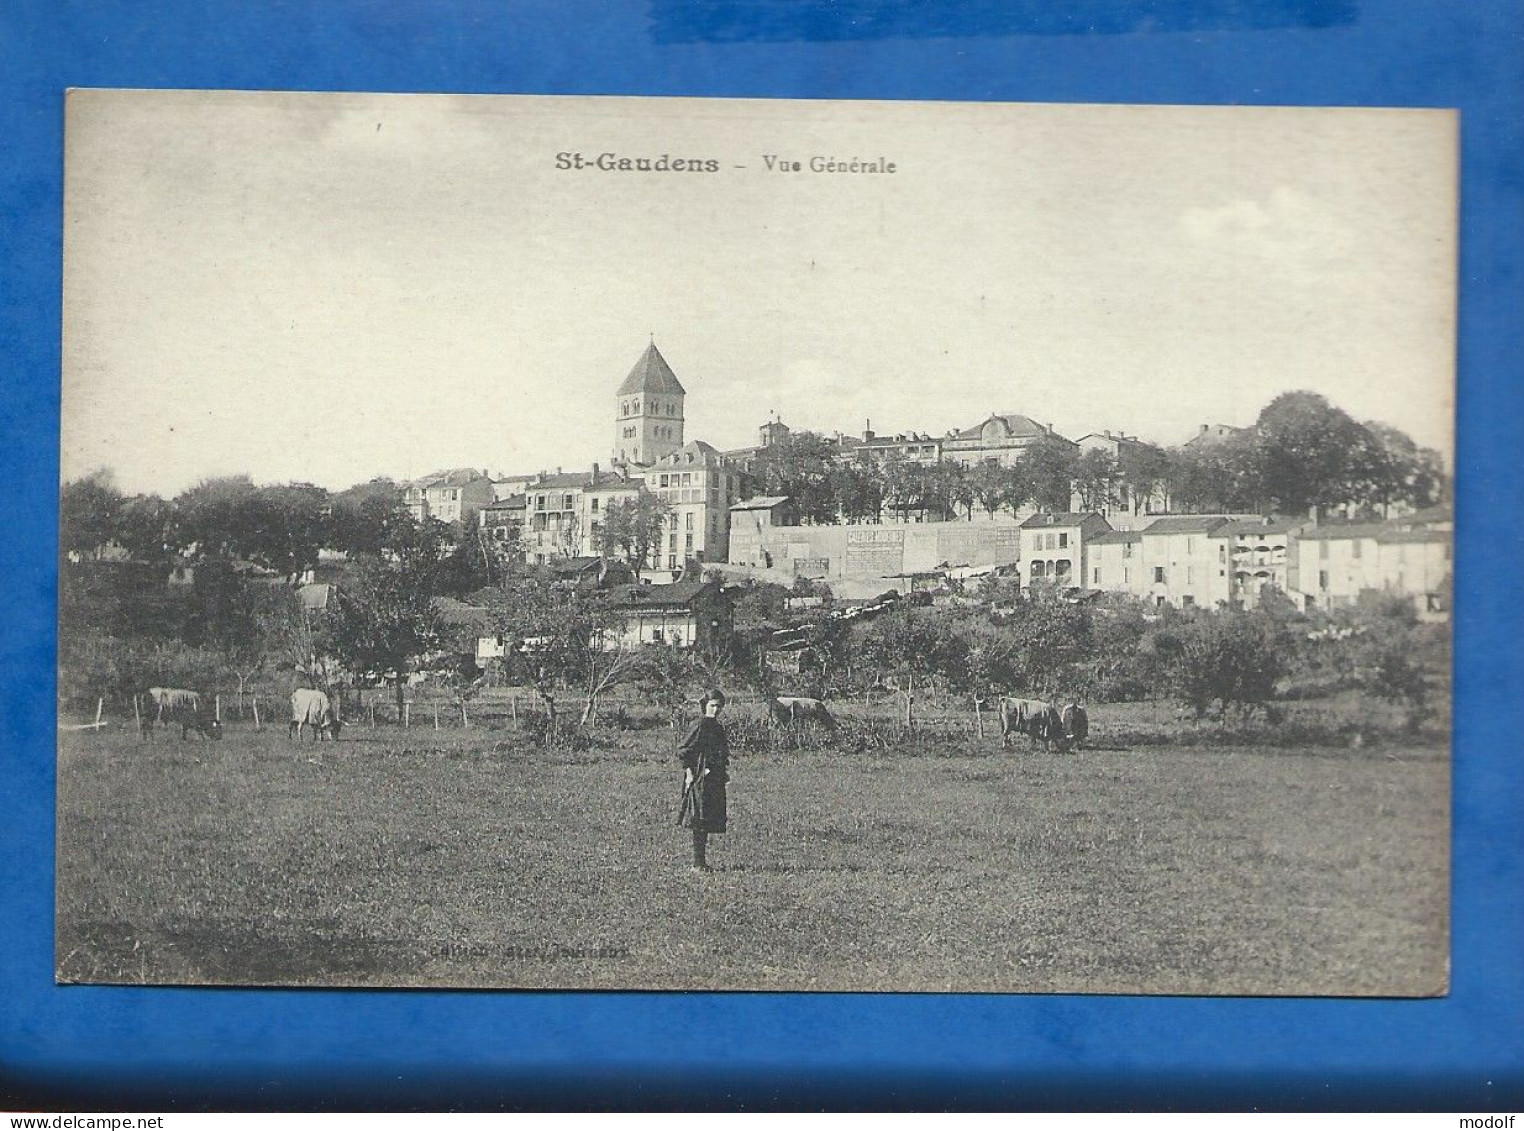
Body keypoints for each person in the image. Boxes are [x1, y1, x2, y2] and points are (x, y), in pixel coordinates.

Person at [677, 688, 730, 873]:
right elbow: (684, 750)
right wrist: (689, 774)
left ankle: (701, 862)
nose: (716, 710)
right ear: (705, 706)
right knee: (698, 819)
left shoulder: (717, 727)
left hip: (714, 779)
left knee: (707, 818)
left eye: (719, 707)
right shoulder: (699, 725)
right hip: (699, 778)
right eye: (712, 706)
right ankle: (697, 862)